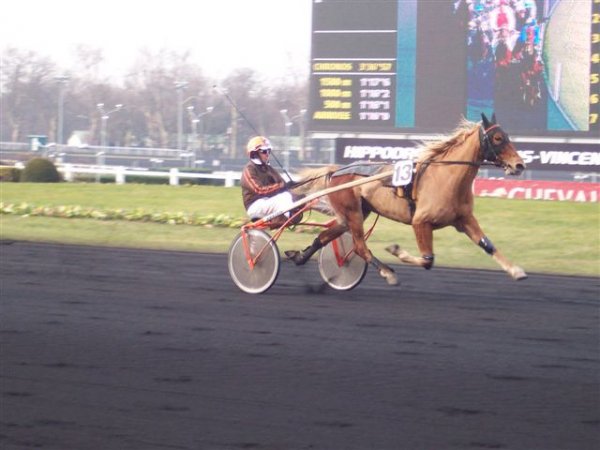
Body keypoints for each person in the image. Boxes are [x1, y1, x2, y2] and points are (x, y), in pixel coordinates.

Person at [241, 136, 301, 225]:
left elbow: (281, 183)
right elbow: (259, 190)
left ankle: (290, 215)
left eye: (269, 151)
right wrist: (281, 186)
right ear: (255, 153)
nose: (267, 154)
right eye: (264, 151)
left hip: (267, 202)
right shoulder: (249, 169)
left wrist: (291, 186)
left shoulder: (268, 168)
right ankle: (286, 218)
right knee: (285, 196)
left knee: (296, 195)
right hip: (255, 206)